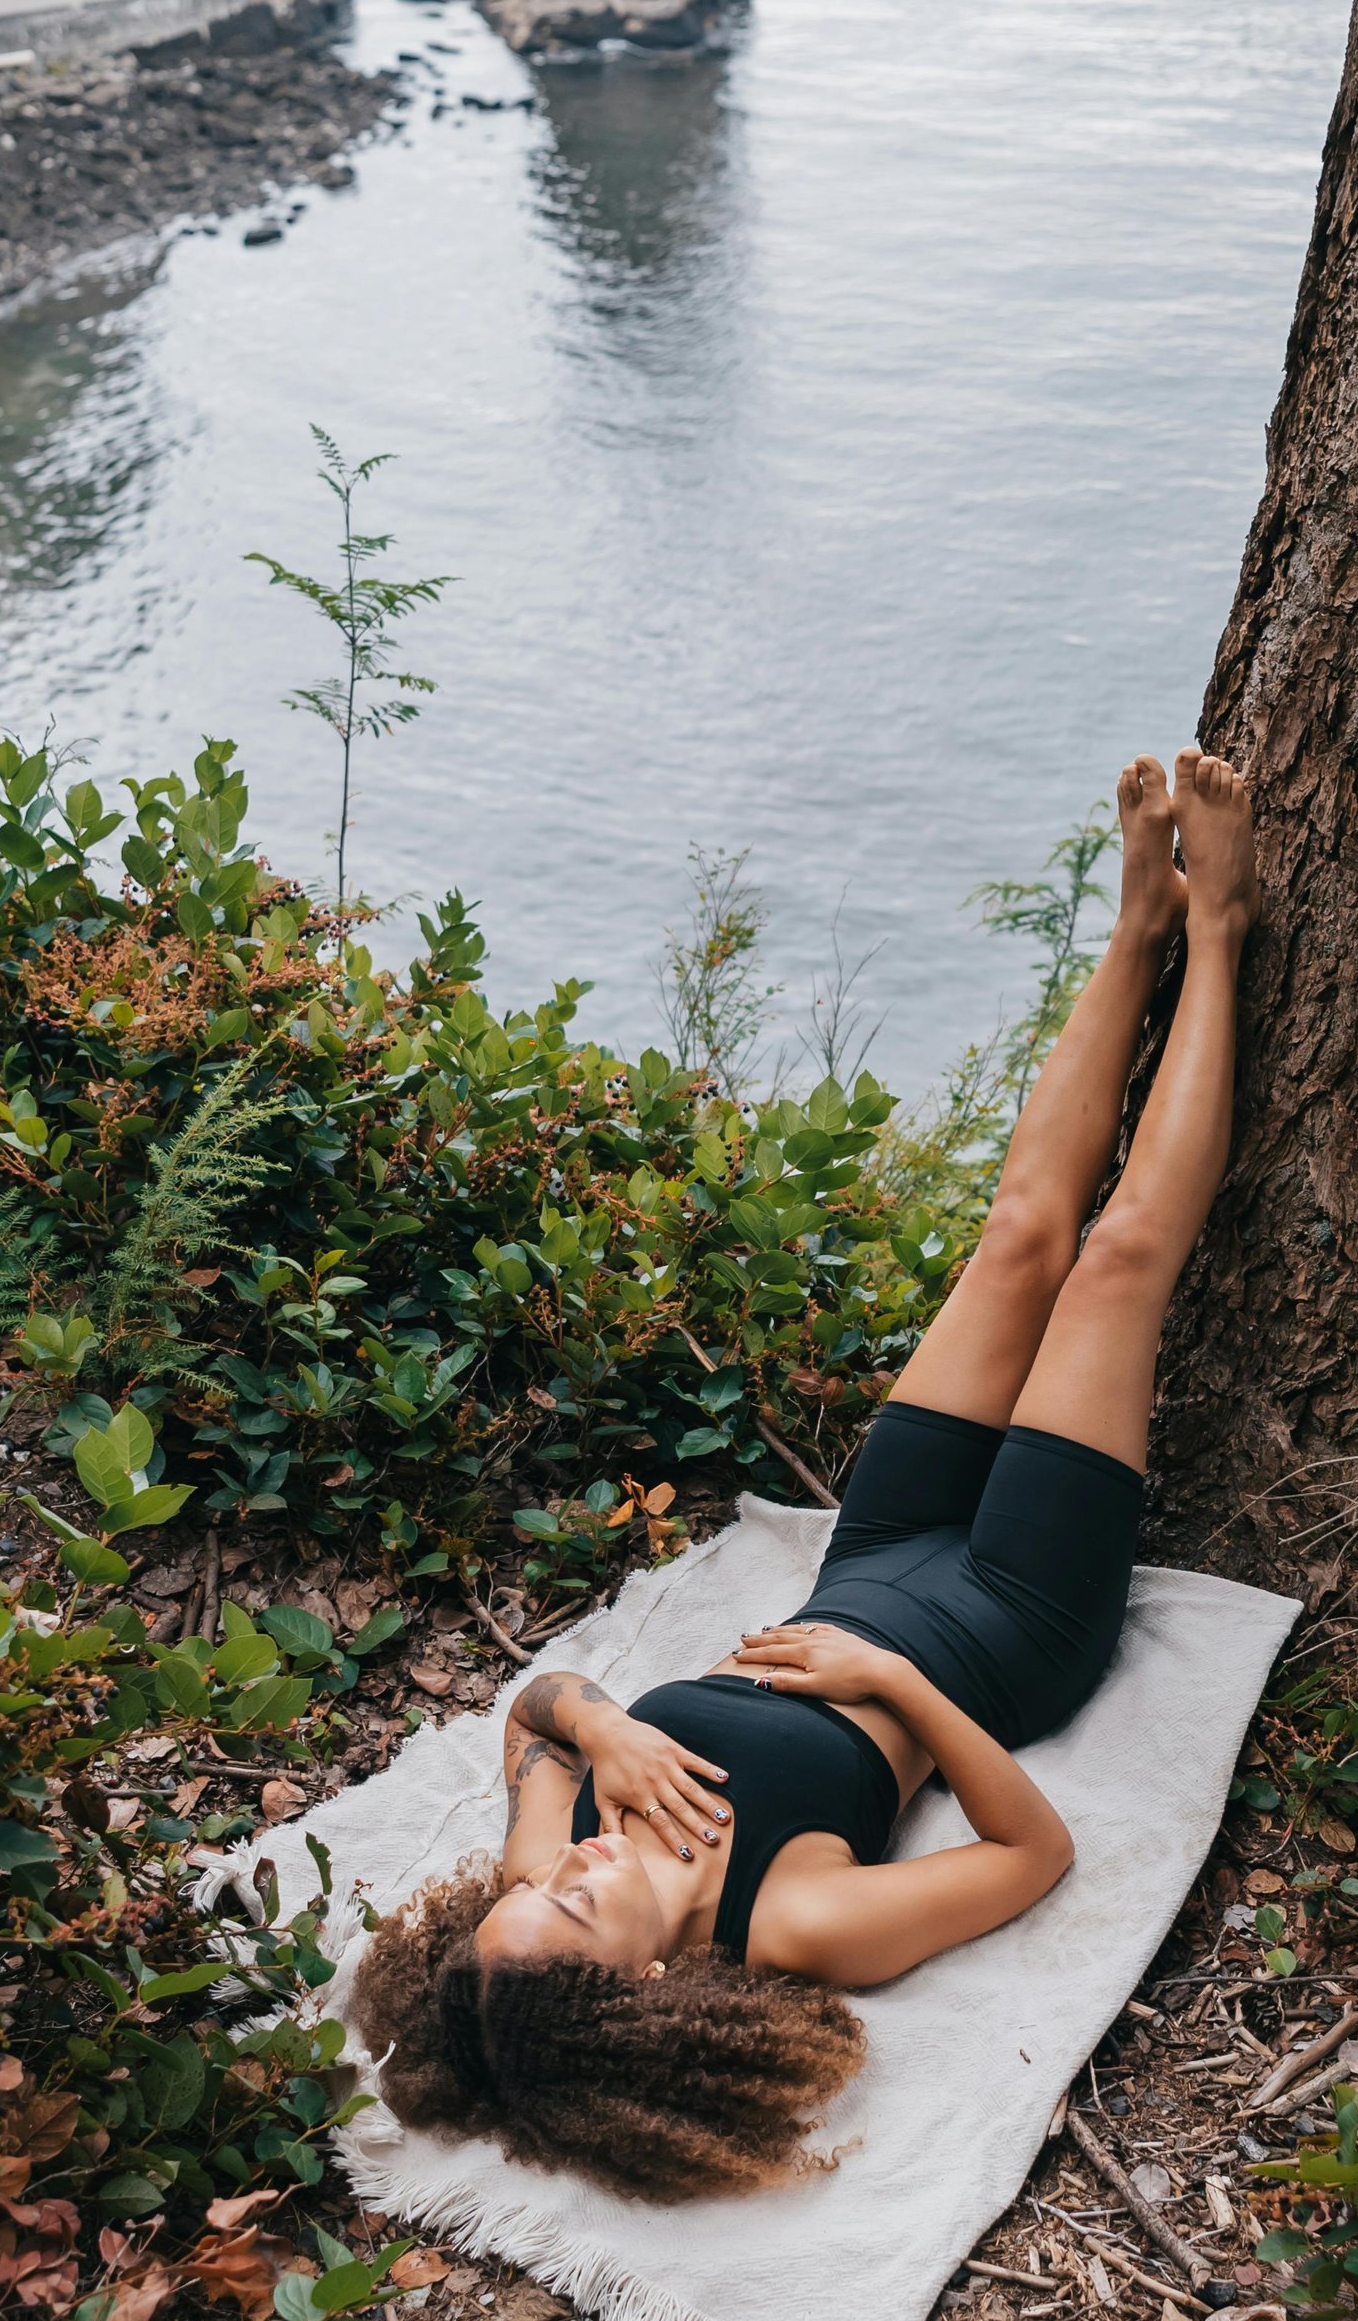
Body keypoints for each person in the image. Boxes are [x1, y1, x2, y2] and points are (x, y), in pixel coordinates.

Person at [351, 747, 1257, 2198]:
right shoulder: (795, 1918)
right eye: (574, 1915)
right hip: (1004, 1625)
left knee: (1019, 1233)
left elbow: (534, 1719)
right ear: (638, 1982)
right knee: (1113, 1268)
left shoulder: (545, 1864)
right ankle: (1219, 934)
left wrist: (605, 1724)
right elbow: (1033, 1856)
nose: (561, 1879)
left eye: (528, 1900)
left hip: (875, 1549)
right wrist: (896, 1689)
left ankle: (1139, 924)